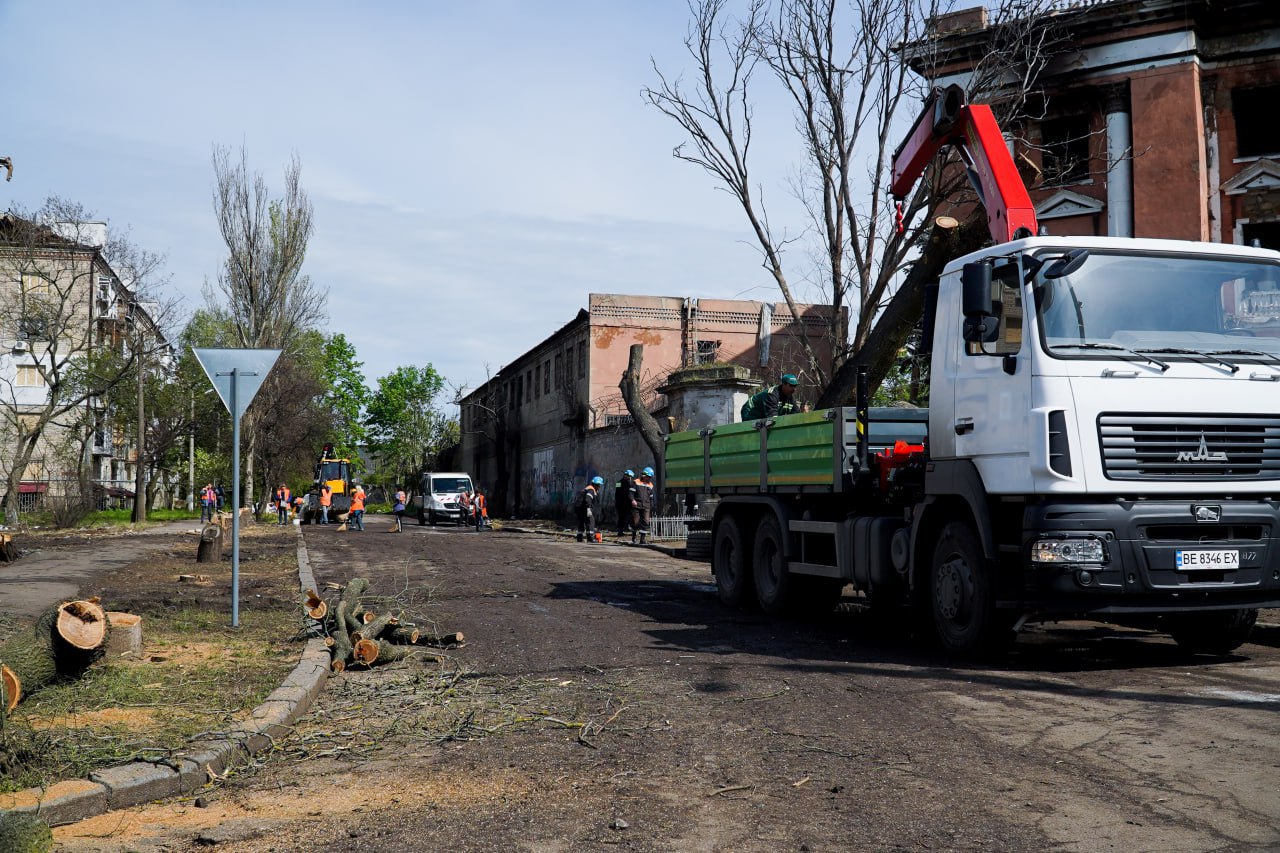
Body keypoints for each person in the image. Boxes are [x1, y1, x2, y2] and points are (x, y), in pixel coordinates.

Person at [631, 467, 655, 545]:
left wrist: (651, 505)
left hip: (646, 506)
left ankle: (642, 539)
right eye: (649, 477)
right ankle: (634, 534)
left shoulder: (650, 485)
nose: (649, 479)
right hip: (637, 505)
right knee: (636, 522)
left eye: (650, 477)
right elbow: (630, 493)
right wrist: (632, 500)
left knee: (646, 521)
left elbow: (651, 496)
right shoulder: (636, 482)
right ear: (644, 475)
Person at [575, 476, 603, 543]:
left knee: (581, 522)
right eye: (599, 485)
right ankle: (590, 538)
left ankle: (579, 538)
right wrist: (588, 508)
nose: (599, 487)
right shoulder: (591, 490)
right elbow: (588, 499)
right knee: (590, 521)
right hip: (584, 508)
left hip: (578, 507)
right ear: (596, 485)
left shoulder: (588, 488)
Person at [614, 469, 635, 536]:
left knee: (622, 517)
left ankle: (621, 530)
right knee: (627, 516)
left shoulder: (618, 482)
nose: (630, 478)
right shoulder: (628, 483)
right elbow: (626, 493)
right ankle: (627, 529)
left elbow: (617, 493)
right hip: (625, 503)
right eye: (630, 477)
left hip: (619, 503)